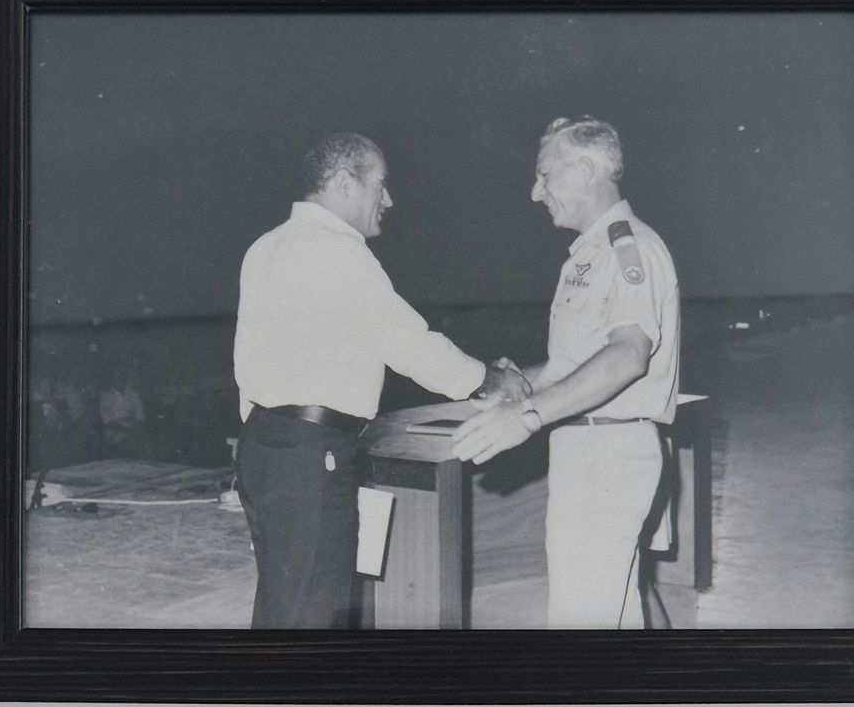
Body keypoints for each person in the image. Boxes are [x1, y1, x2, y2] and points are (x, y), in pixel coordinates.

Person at [233, 132, 527, 629]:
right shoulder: (337, 251)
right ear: (346, 183)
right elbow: (408, 343)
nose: (388, 200)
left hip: (267, 447)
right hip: (312, 456)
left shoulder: (267, 246)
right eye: (381, 186)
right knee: (312, 619)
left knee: (284, 608)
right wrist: (488, 381)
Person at [452, 116, 680, 629]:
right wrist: (517, 386)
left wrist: (527, 417)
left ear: (583, 170)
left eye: (545, 175)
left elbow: (628, 355)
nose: (536, 192)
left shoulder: (629, 249)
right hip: (588, 452)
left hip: (609, 455)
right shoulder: (590, 253)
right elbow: (569, 366)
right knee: (608, 615)